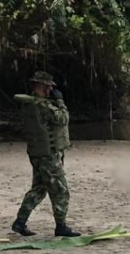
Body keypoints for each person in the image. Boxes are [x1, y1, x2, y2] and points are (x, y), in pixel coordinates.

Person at [11, 71, 80, 237]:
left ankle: (20, 222)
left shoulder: (29, 104)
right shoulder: (42, 106)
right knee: (60, 190)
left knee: (39, 189)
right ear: (41, 86)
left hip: (37, 153)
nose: (50, 90)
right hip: (48, 155)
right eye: (48, 87)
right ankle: (61, 226)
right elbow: (63, 118)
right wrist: (61, 102)